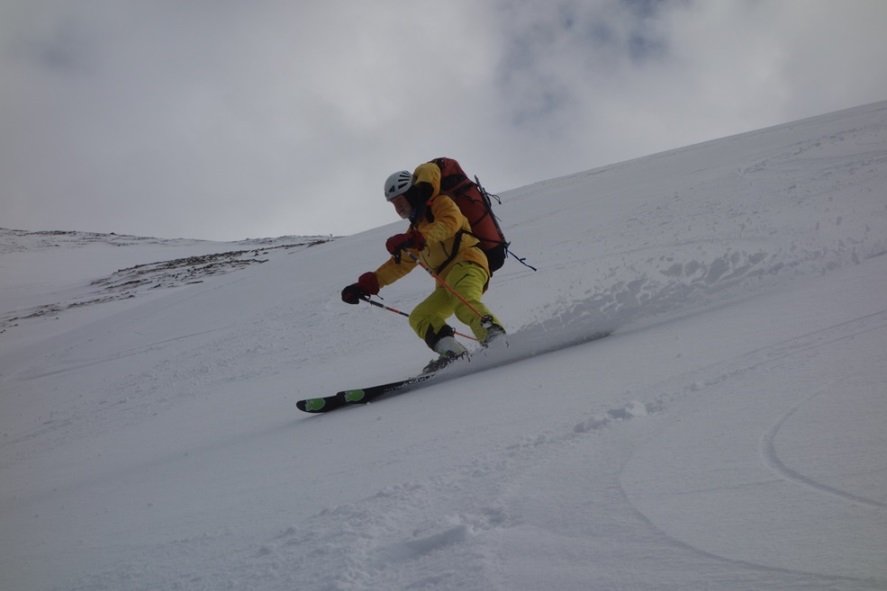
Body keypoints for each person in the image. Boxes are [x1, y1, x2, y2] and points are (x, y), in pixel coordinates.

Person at [341, 161, 505, 372]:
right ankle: (453, 353)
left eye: (400, 200)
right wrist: (367, 285)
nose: (398, 207)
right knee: (421, 316)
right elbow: (400, 264)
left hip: (468, 262)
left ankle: (495, 337)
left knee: (463, 302)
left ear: (411, 194)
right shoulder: (415, 228)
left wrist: (418, 238)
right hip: (446, 282)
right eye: (393, 203)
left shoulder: (440, 203)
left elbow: (450, 222)